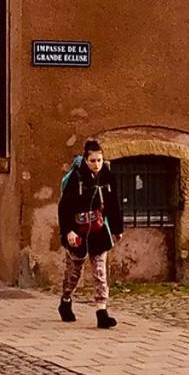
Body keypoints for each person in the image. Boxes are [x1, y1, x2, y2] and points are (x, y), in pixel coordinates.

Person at [56, 139, 124, 329]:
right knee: (74, 272)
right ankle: (66, 300)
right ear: (86, 159)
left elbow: (113, 204)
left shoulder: (107, 177)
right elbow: (64, 207)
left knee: (100, 271)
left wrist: (117, 229)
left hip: (99, 230)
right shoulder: (76, 179)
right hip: (78, 230)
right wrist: (67, 230)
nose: (96, 164)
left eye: (99, 160)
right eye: (93, 160)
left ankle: (101, 310)